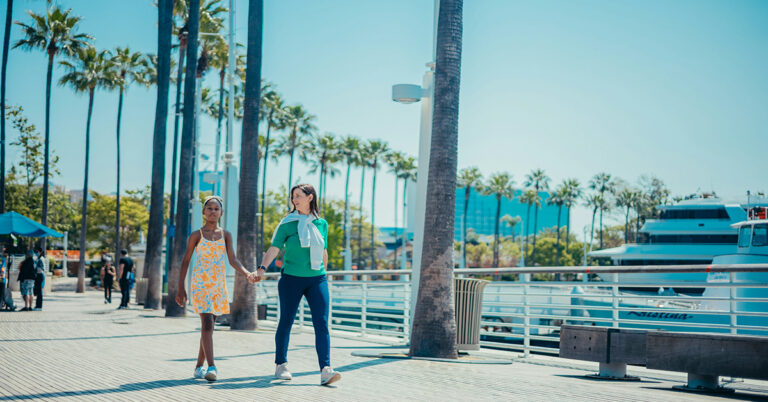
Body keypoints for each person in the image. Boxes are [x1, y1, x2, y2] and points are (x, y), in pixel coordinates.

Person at [250, 183, 342, 386]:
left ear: (310, 197)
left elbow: (324, 251)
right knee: (286, 321)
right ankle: (281, 364)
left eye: (298, 196)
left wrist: (324, 275)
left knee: (321, 323)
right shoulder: (287, 223)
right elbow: (274, 248)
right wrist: (261, 269)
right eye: (293, 197)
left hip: (317, 279)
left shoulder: (322, 224)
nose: (294, 200)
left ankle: (325, 369)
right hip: (291, 279)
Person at [176, 195, 252, 382]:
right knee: (208, 324)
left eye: (216, 209)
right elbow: (186, 261)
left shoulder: (226, 235)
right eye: (209, 208)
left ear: (221, 213)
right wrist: (180, 288)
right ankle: (212, 366)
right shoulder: (196, 235)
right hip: (200, 283)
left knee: (208, 327)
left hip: (218, 285)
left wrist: (247, 273)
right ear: (203, 212)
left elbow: (232, 260)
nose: (212, 211)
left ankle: (198, 367)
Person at [1, 245, 16, 311]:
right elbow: (2, 270)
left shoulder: (3, 259)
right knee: (2, 294)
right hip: (1, 280)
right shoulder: (2, 259)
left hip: (2, 279)